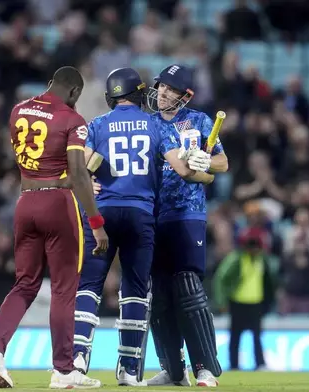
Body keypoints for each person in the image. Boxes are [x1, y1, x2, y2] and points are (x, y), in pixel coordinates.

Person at [71, 68, 214, 386]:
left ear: (111, 96)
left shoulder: (98, 125)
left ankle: (78, 362)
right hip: (141, 215)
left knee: (89, 286)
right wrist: (204, 167)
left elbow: (83, 172)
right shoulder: (154, 125)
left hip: (104, 212)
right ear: (139, 93)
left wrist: (90, 183)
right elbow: (182, 169)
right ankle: (130, 370)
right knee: (135, 290)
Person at [0, 66, 108, 389]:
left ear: (50, 84)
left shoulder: (18, 110)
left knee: (24, 284)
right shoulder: (73, 120)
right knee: (64, 289)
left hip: (25, 203)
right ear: (76, 93)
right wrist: (96, 223)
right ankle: (63, 371)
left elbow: (35, 162)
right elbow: (78, 173)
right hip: (58, 205)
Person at [146, 64, 228, 387]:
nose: (163, 93)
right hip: (153, 216)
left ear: (185, 95)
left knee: (189, 289)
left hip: (188, 214)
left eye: (170, 89)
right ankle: (173, 369)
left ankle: (205, 367)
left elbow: (223, 162)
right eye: (161, 87)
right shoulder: (149, 124)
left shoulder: (199, 121)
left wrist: (205, 161)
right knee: (160, 296)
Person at [214, 227, 277, 371]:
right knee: (235, 336)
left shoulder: (262, 260)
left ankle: (260, 364)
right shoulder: (236, 259)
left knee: (257, 336)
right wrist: (222, 301)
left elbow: (269, 282)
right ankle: (234, 364)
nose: (254, 250)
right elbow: (220, 279)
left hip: (256, 304)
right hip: (238, 303)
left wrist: (268, 302)